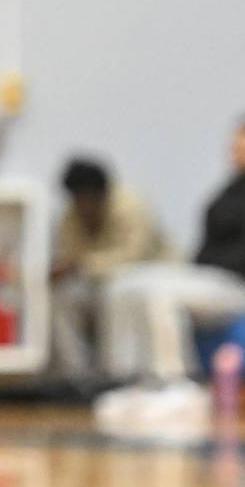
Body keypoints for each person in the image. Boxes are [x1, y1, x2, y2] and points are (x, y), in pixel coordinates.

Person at [97, 119, 245, 423]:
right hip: (214, 279)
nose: (237, 151)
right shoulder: (224, 195)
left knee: (161, 295)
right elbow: (205, 251)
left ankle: (176, 382)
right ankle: (131, 379)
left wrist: (216, 262)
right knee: (126, 284)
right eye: (234, 144)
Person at [49, 157, 170, 383]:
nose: (84, 208)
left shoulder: (131, 205)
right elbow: (68, 257)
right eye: (78, 200)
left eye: (89, 200)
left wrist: (83, 265)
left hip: (146, 276)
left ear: (102, 194)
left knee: (117, 291)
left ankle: (116, 376)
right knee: (64, 295)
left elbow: (134, 256)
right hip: (97, 284)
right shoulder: (71, 215)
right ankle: (76, 378)